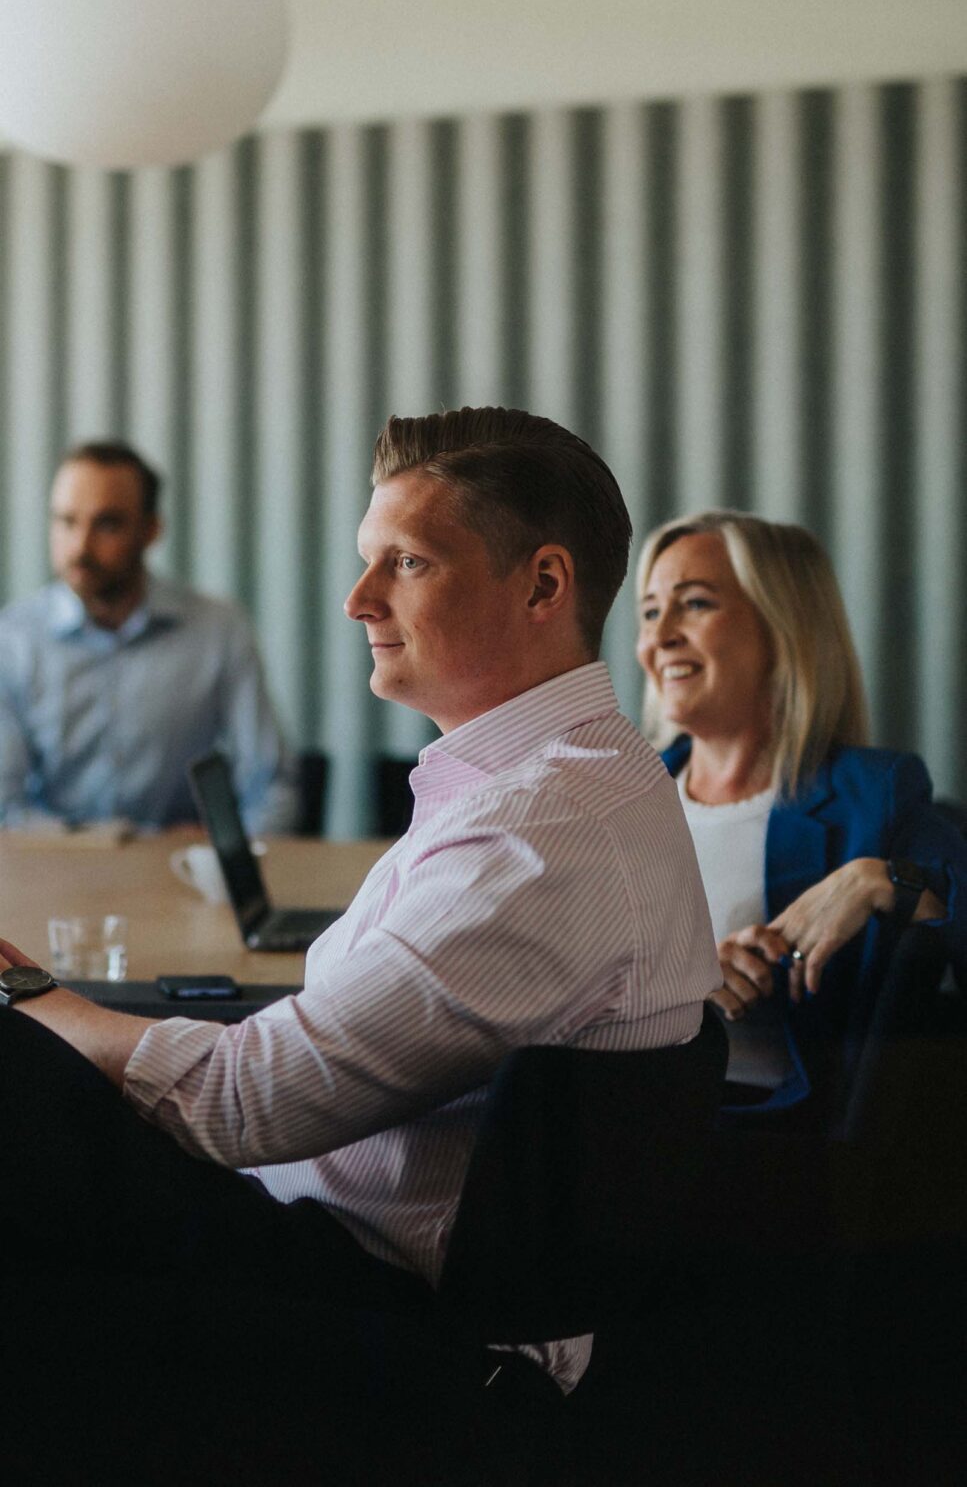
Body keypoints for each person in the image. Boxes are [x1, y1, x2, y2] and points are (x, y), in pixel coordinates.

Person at [0, 408, 719, 1485]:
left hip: (376, 1300)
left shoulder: (538, 836)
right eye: (362, 562)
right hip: (341, 1232)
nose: (357, 601)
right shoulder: (554, 786)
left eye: (407, 562)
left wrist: (32, 991)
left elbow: (244, 1107)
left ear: (542, 585)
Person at [636, 508, 967, 1120]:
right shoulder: (616, 799)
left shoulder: (875, 793)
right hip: (620, 1117)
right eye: (651, 612)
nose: (659, 639)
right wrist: (676, 993)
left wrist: (882, 882)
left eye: (696, 604)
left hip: (776, 1143)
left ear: (782, 623)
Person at [0, 439, 298, 833]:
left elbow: (272, 788)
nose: (80, 547)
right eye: (66, 521)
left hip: (180, 877)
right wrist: (99, 844)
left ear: (151, 530)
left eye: (107, 524)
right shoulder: (13, 640)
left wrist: (224, 860)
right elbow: (4, 807)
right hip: (54, 875)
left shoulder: (218, 632)